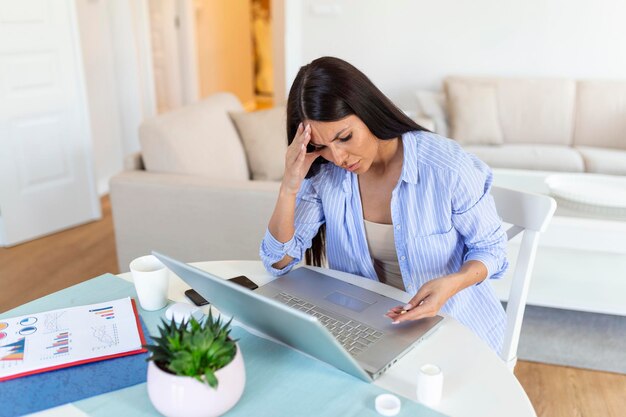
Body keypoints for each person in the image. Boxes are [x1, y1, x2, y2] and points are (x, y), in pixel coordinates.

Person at [259, 56, 508, 354]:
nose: (338, 157)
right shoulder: (326, 175)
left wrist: (453, 283)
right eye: (321, 146)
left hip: (455, 327)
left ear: (368, 111)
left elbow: (493, 250)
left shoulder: (446, 167)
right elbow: (278, 261)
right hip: (370, 330)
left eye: (345, 137)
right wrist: (289, 185)